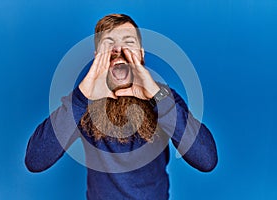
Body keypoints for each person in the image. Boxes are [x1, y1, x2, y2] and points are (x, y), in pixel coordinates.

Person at [25, 14, 218, 200]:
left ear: (141, 55)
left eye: (129, 42)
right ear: (97, 57)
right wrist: (82, 97)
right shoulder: (83, 101)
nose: (119, 50)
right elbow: (35, 160)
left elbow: (206, 160)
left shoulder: (163, 97)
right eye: (109, 44)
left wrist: (157, 97)